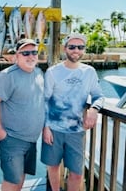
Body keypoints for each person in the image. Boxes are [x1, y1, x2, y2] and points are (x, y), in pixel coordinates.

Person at [41, 33, 104, 191]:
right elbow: (44, 101)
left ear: (83, 50)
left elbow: (99, 96)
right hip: (53, 130)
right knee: (53, 167)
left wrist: (94, 109)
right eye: (72, 47)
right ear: (65, 48)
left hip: (77, 131)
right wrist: (45, 127)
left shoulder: (89, 72)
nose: (76, 50)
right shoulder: (52, 71)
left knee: (76, 174)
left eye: (80, 47)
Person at [0, 38, 45, 191]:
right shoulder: (7, 76)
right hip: (13, 140)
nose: (31, 56)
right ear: (16, 56)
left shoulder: (39, 73)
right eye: (25, 53)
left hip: (31, 140)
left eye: (34, 52)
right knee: (12, 181)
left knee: (21, 178)